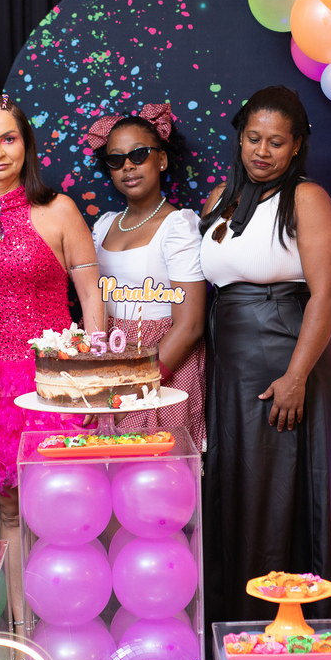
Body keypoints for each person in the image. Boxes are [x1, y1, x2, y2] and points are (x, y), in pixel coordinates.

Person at [199, 85, 331, 624]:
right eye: (254, 138)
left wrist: (296, 377)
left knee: (278, 495)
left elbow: (327, 294)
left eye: (276, 142)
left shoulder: (306, 198)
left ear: (296, 146)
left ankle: (295, 626)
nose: (262, 151)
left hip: (286, 360)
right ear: (239, 138)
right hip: (232, 366)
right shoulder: (219, 199)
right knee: (242, 491)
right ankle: (239, 622)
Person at [0, 94, 105, 631]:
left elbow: (92, 298)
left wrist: (93, 381)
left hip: (54, 385)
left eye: (8, 139)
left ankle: (73, 625)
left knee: (62, 510)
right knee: (9, 511)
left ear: (26, 144)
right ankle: (23, 629)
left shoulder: (58, 210)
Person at [82, 103, 206, 448]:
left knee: (155, 467)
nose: (128, 166)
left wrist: (136, 388)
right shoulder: (104, 225)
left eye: (139, 155)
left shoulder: (178, 226)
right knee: (103, 465)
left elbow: (191, 325)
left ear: (161, 160)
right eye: (116, 159)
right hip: (107, 361)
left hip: (161, 361)